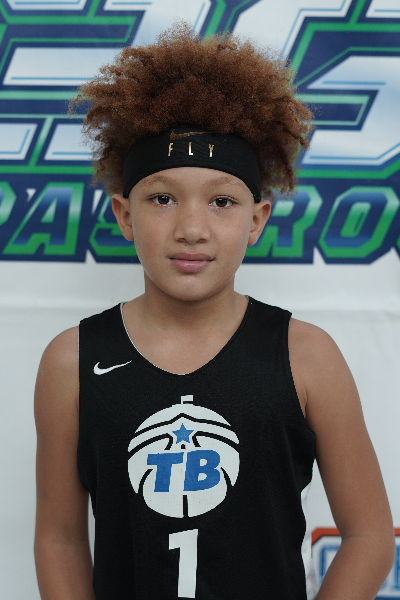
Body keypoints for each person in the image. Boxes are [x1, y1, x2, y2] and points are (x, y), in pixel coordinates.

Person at [34, 23, 395, 600]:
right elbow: (59, 539)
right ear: (124, 215)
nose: (192, 228)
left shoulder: (307, 356)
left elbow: (370, 536)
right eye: (162, 198)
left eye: (222, 201)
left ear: (257, 219)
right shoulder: (71, 361)